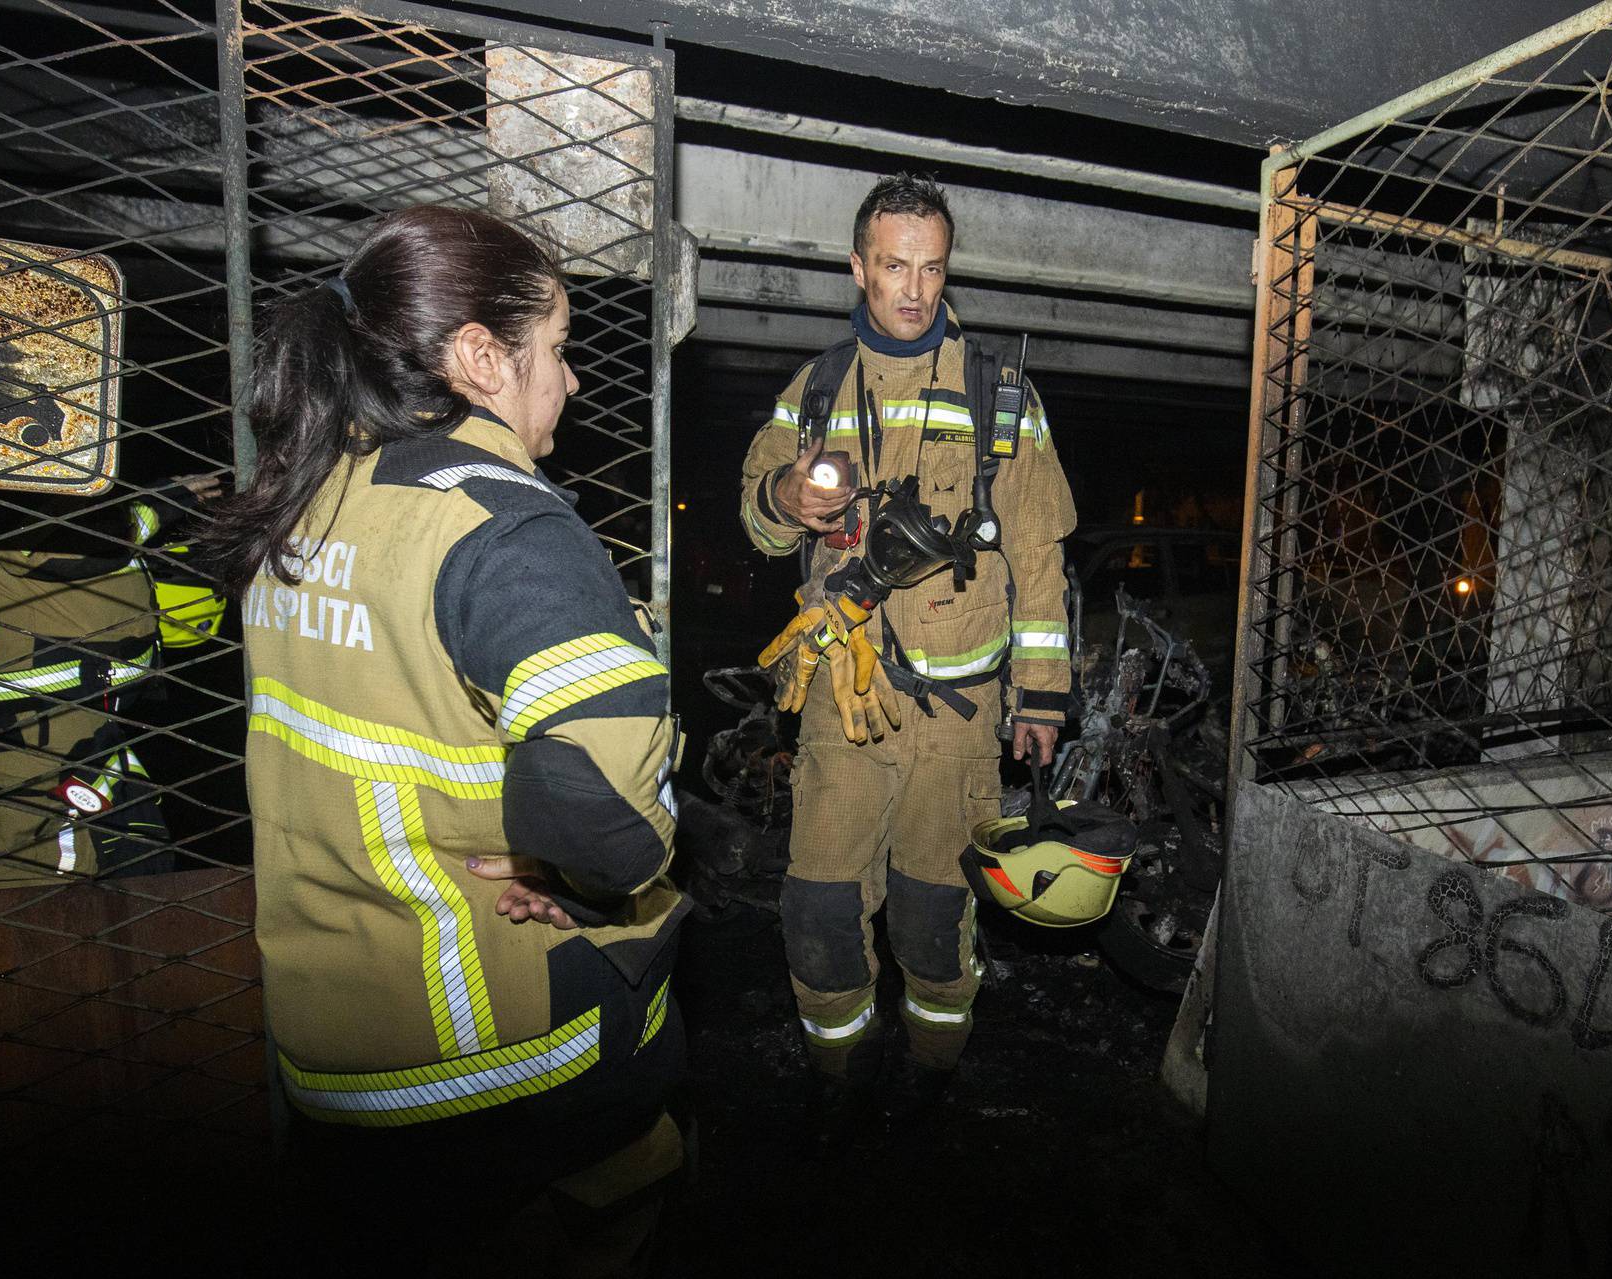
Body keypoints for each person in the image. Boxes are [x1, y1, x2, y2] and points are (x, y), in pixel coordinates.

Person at [197, 205, 686, 1277]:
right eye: (555, 350)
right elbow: (607, 817)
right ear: (480, 357)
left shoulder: (310, 500)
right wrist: (584, 878)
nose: (569, 383)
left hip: (336, 1047)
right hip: (500, 1050)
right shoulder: (503, 527)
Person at [738, 174, 1077, 1119]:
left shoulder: (1000, 395)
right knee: (815, 916)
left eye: (932, 268)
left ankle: (934, 1084)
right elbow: (758, 515)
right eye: (894, 267)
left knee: (934, 927)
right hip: (841, 711)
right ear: (858, 266)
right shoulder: (811, 390)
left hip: (956, 727)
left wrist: (1042, 699)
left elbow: (1039, 556)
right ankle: (841, 1086)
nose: (915, 289)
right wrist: (785, 499)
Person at [0, 471, 221, 890]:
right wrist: (154, 508)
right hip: (21, 732)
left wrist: (152, 510)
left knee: (132, 876)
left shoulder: (10, 490)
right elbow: (62, 543)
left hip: (62, 723)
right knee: (46, 902)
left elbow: (77, 540)